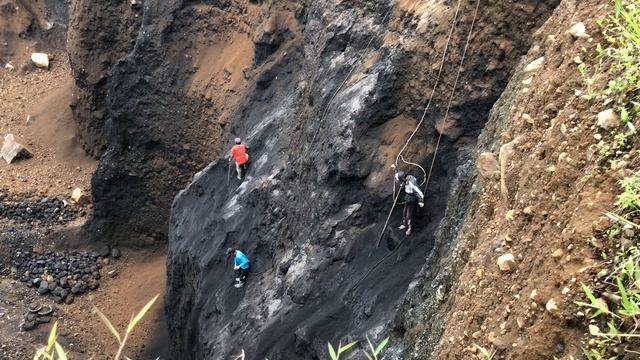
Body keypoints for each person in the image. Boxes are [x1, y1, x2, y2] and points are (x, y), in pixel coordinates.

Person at [395, 171, 424, 236]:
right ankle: (404, 224)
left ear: (403, 178)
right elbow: (404, 183)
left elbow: (419, 193)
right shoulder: (405, 179)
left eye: (400, 180)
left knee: (409, 215)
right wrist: (403, 185)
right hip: (408, 197)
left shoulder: (412, 183)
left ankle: (410, 228)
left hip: (412, 198)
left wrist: (421, 201)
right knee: (404, 211)